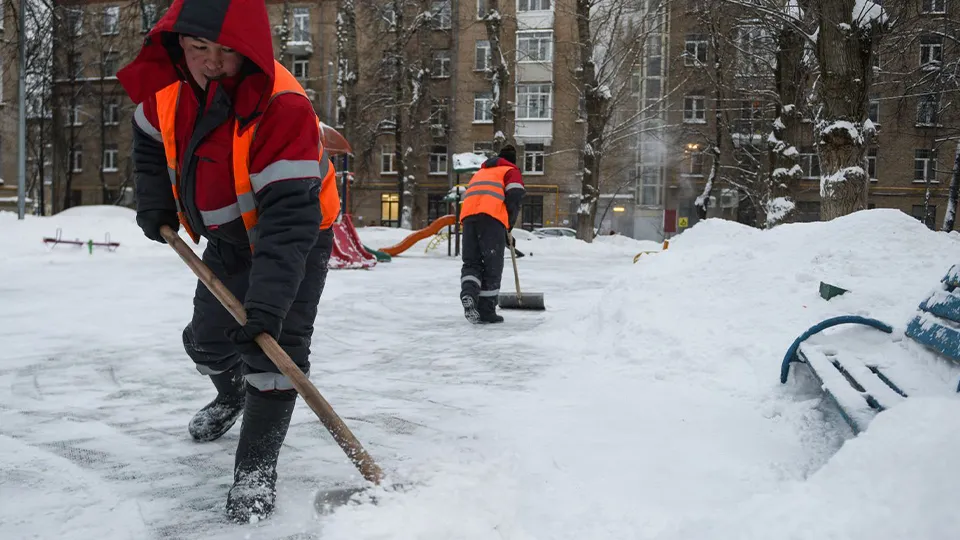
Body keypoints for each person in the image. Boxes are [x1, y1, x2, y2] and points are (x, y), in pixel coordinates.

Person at [116, 0, 341, 523]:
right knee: (206, 341)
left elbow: (288, 219)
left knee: (275, 349)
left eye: (226, 52)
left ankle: (255, 470)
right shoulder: (169, 90)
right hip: (227, 241)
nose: (211, 63)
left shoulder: (282, 106)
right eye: (198, 49)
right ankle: (231, 393)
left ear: (252, 49)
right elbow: (149, 137)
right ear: (180, 48)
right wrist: (155, 201)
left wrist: (266, 304)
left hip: (295, 240)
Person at [459, 145, 525, 323]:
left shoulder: (481, 172)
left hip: (468, 218)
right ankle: (486, 310)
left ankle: (469, 294)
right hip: (491, 218)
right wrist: (509, 225)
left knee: (471, 262)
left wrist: (504, 231)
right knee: (492, 264)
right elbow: (515, 195)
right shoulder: (511, 170)